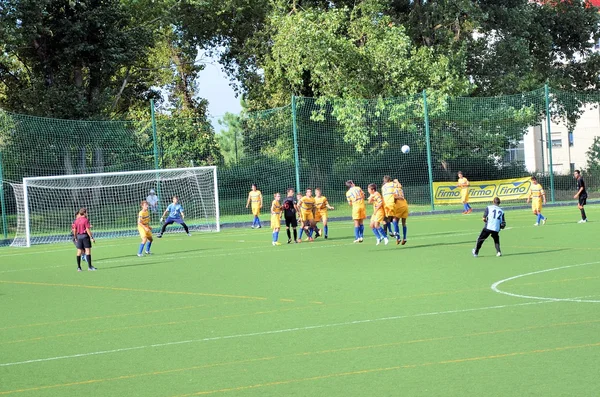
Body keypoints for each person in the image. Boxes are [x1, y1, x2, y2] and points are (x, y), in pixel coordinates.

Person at [393, 178, 409, 245]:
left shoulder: (393, 190)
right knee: (404, 223)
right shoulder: (400, 189)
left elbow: (394, 197)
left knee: (394, 220)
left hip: (399, 206)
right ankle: (404, 238)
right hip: (405, 205)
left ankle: (398, 238)